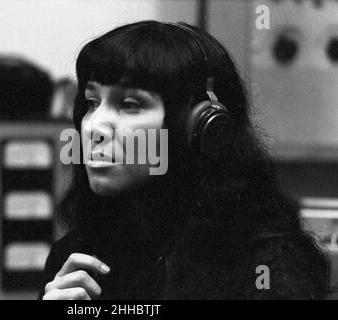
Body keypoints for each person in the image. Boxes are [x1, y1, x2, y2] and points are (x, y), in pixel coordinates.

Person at [39, 20, 331, 300]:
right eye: (91, 103)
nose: (94, 127)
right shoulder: (76, 260)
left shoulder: (265, 266)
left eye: (129, 105)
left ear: (199, 127)